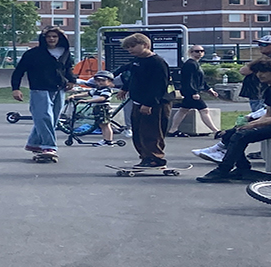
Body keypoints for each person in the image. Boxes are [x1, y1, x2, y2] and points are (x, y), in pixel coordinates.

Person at [197, 57, 271, 182]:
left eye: (264, 72)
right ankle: (242, 168)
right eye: (257, 72)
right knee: (229, 134)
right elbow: (269, 114)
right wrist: (252, 123)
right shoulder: (270, 89)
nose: (259, 75)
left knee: (241, 135)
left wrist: (252, 126)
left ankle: (223, 169)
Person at [194, 35, 271, 162]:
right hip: (259, 94)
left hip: (260, 94)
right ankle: (223, 148)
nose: (260, 47)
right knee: (251, 122)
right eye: (260, 44)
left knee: (252, 123)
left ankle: (224, 150)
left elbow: (244, 70)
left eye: (265, 45)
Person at [10, 27, 75, 159]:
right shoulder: (33, 54)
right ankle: (49, 146)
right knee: (44, 116)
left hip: (58, 89)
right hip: (39, 89)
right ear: (44, 38)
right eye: (49, 37)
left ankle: (34, 143)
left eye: (54, 37)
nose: (51, 39)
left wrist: (71, 81)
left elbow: (67, 68)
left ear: (60, 38)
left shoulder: (65, 52)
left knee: (53, 119)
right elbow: (19, 71)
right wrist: (15, 88)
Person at [118, 33, 172, 167]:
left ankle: (155, 158)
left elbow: (159, 84)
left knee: (151, 131)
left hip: (154, 103)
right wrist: (125, 88)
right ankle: (145, 156)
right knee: (138, 131)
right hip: (138, 101)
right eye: (128, 47)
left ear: (145, 45)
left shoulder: (157, 62)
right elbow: (132, 77)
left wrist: (149, 103)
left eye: (132, 46)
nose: (130, 50)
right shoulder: (137, 61)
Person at [167, 45, 220, 138]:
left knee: (183, 110)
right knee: (204, 110)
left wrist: (209, 89)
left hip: (191, 92)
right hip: (190, 92)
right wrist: (193, 92)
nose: (199, 53)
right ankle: (216, 131)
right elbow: (188, 80)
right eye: (196, 51)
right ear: (191, 52)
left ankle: (173, 130)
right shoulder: (190, 64)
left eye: (201, 51)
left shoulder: (195, 64)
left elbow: (200, 80)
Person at [66, 70, 120, 147]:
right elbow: (88, 93)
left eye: (103, 81)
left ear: (109, 82)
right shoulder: (97, 89)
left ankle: (108, 141)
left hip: (103, 108)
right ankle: (105, 139)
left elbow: (102, 98)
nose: (100, 82)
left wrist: (88, 101)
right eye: (98, 81)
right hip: (97, 108)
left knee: (106, 124)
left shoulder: (106, 90)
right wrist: (75, 96)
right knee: (101, 125)